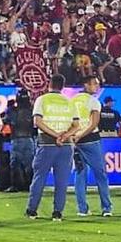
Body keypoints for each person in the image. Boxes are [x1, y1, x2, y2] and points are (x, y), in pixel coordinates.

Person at [24, 74, 80, 222]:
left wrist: (55, 135)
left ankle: (32, 210)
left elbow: (37, 121)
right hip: (66, 145)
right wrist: (64, 135)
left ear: (49, 84)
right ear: (62, 86)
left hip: (47, 144)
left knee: (39, 178)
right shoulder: (69, 102)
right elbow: (76, 126)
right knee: (61, 181)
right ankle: (57, 212)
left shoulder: (42, 100)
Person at [72, 75, 113, 218]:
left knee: (80, 174)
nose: (97, 86)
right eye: (95, 84)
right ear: (86, 85)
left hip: (76, 141)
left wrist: (75, 136)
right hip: (90, 140)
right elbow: (93, 124)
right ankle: (106, 208)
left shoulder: (72, 100)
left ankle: (82, 209)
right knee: (100, 174)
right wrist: (81, 135)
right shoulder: (94, 102)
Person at [5, 89, 35, 193]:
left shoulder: (12, 110)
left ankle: (15, 186)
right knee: (29, 164)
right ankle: (30, 185)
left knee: (15, 163)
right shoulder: (32, 109)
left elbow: (8, 121)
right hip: (29, 138)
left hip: (17, 139)